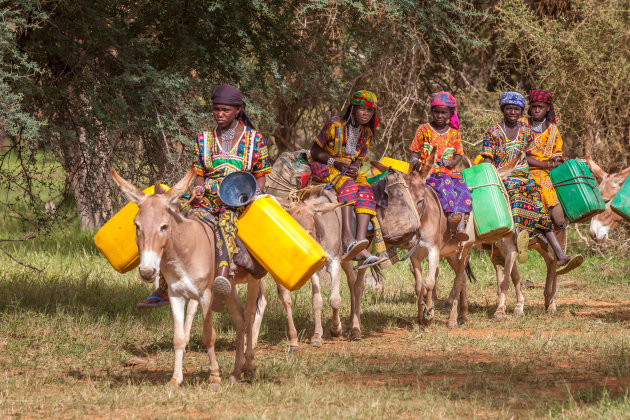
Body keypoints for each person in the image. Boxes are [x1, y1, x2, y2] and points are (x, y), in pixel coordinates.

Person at [137, 84, 272, 310]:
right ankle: (165, 284)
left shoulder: (254, 139)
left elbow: (261, 174)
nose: (219, 114)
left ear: (238, 110)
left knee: (226, 224)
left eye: (225, 110)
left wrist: (255, 194)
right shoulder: (204, 138)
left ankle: (223, 278)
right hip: (207, 195)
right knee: (177, 223)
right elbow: (199, 173)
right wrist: (198, 189)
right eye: (216, 109)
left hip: (238, 198)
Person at [481, 91, 577, 269]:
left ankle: (560, 253)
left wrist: (550, 163)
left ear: (521, 111)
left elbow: (529, 155)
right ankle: (518, 239)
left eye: (516, 109)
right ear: (503, 109)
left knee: (540, 208)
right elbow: (487, 159)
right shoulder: (493, 132)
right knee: (516, 197)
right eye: (509, 108)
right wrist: (493, 176)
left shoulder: (525, 131)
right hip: (505, 177)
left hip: (526, 176)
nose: (512, 112)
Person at [308, 90, 385, 269]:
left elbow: (359, 159)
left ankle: (360, 242)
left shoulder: (367, 132)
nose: (366, 113)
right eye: (362, 109)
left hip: (347, 169)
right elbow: (314, 151)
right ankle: (347, 237)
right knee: (349, 186)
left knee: (366, 190)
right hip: (325, 164)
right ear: (353, 108)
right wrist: (336, 163)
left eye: (370, 110)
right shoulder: (335, 123)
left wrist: (355, 167)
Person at [409, 91, 472, 241]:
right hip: (429, 172)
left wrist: (453, 162)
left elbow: (458, 154)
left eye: (443, 113)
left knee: (463, 189)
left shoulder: (455, 133)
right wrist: (415, 162)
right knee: (445, 183)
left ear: (450, 113)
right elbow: (414, 152)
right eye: (436, 112)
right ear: (431, 111)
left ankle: (461, 226)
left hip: (449, 171)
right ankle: (451, 216)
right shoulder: (423, 129)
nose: (439, 116)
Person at [525, 89, 568, 229]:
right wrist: (548, 165)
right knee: (542, 183)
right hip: (523, 167)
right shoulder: (521, 124)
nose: (536, 110)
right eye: (534, 106)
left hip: (547, 169)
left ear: (547, 108)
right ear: (530, 108)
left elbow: (556, 151)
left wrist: (558, 159)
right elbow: (521, 154)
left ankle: (559, 221)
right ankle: (543, 223)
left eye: (540, 107)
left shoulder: (553, 129)